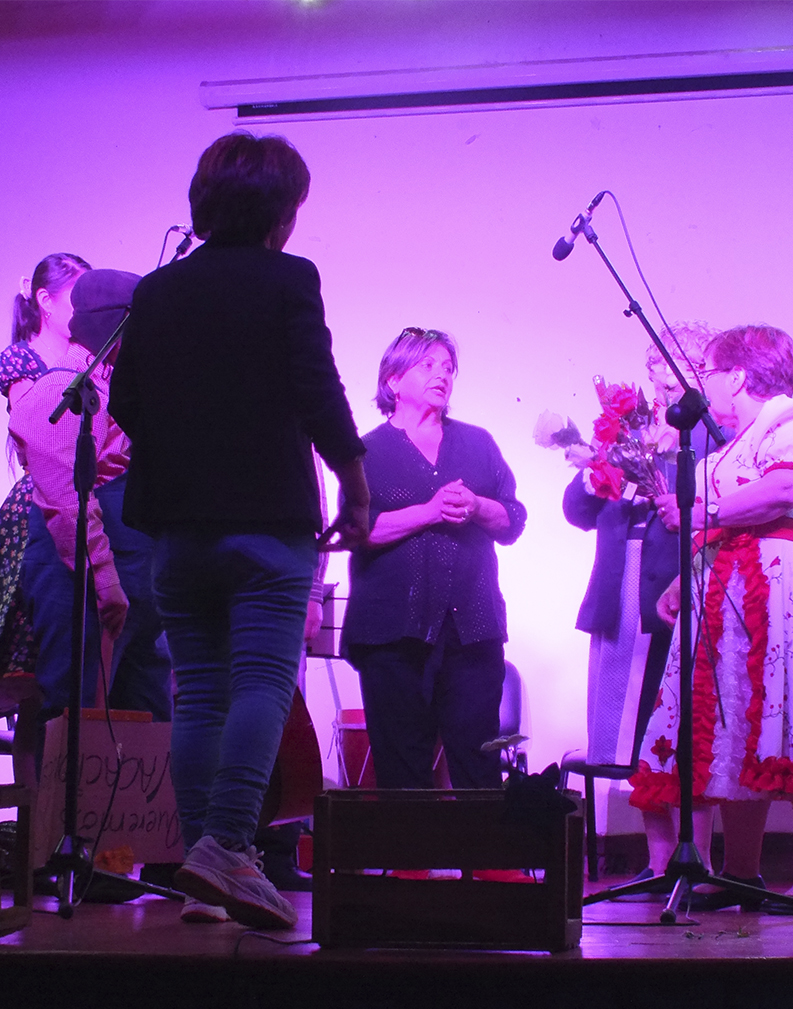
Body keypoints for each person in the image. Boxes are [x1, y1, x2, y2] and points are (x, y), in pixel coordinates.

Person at [109, 132, 370, 929]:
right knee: (261, 680)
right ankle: (227, 847)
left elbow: (124, 406)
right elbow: (317, 390)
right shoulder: (289, 279)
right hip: (265, 522)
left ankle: (204, 866)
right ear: (282, 214)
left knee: (199, 696)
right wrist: (355, 486)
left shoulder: (156, 293)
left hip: (178, 529)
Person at [630, 325, 793, 910]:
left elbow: (785, 488)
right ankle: (741, 873)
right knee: (743, 726)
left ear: (738, 376)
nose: (705, 385)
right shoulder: (738, 440)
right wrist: (682, 575)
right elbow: (729, 523)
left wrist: (699, 509)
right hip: (731, 590)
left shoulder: (791, 420)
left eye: (711, 373)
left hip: (777, 591)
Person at [563, 323, 719, 884]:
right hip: (618, 589)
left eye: (681, 359)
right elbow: (577, 513)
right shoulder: (625, 430)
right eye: (658, 358)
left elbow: (715, 508)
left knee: (678, 726)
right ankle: (658, 865)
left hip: (677, 587)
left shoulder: (708, 436)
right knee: (631, 733)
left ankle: (693, 863)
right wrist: (593, 469)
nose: (665, 368)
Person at [342, 327, 526, 797]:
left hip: (472, 630)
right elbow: (357, 530)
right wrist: (429, 511)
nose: (441, 376)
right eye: (428, 365)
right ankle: (411, 868)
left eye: (448, 368)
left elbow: (513, 518)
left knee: (480, 758)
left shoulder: (478, 443)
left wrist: (479, 506)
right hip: (390, 633)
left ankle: (490, 865)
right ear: (393, 379)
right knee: (402, 763)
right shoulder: (366, 452)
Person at [9, 268, 174, 743]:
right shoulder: (61, 391)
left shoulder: (126, 390)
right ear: (119, 325)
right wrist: (105, 581)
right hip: (79, 568)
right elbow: (67, 501)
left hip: (139, 570)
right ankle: (56, 820)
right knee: (75, 706)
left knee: (147, 709)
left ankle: (144, 819)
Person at [0, 254, 92, 682]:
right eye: (78, 297)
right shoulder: (22, 358)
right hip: (39, 501)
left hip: (82, 498)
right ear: (46, 301)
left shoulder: (87, 358)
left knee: (79, 655)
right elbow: (34, 433)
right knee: (32, 670)